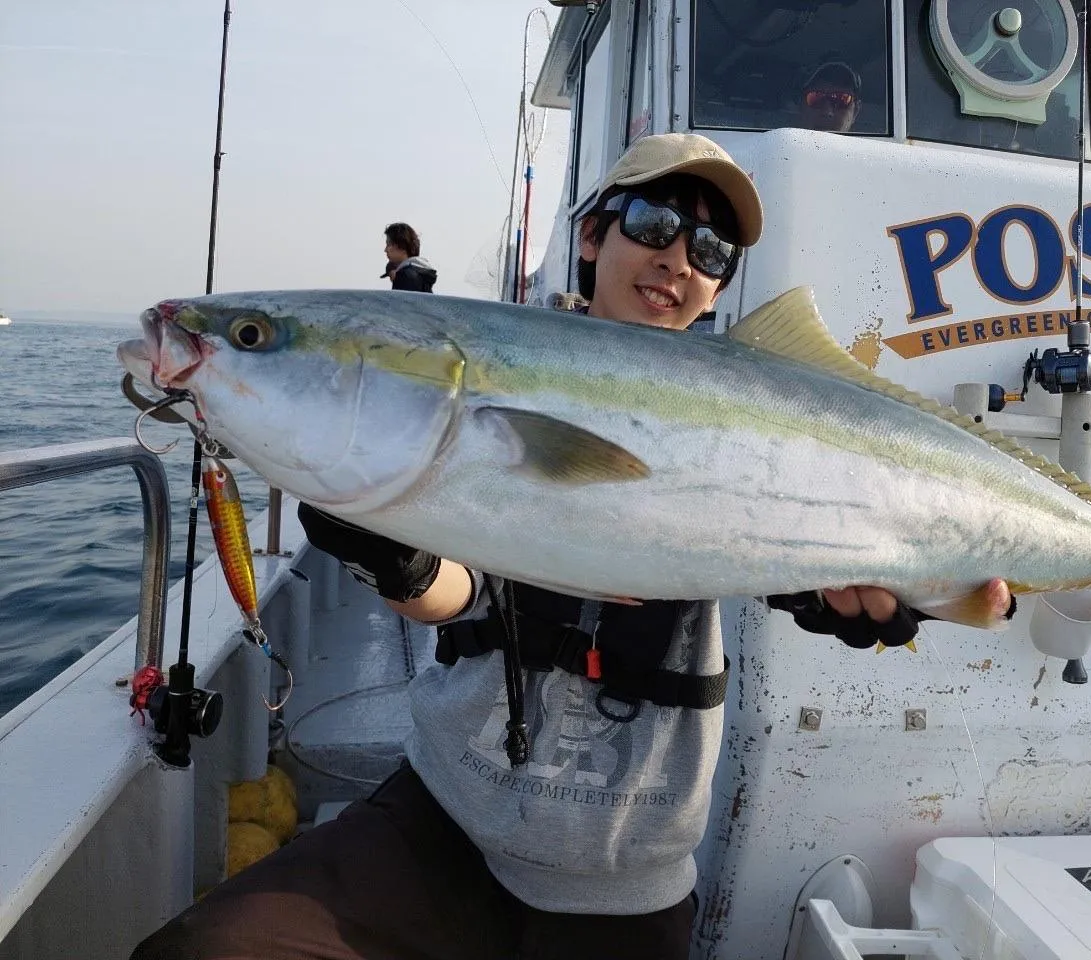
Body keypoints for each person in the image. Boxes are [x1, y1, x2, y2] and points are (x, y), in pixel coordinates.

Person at [132, 133, 1011, 960]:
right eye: (655, 224)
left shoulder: (750, 416)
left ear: (717, 288)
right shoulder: (492, 364)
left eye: (710, 253)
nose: (677, 258)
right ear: (593, 236)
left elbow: (799, 561)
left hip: (626, 872)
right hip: (446, 818)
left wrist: (870, 596)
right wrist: (384, 549)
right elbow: (451, 592)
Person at [799, 59, 862, 133]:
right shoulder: (782, 143)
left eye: (841, 100)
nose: (827, 112)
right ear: (800, 106)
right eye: (817, 99)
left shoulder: (875, 144)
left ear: (855, 112)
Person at [383, 221, 438, 292]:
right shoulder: (421, 275)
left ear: (401, 246)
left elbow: (401, 303)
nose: (385, 250)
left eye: (388, 244)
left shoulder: (405, 276)